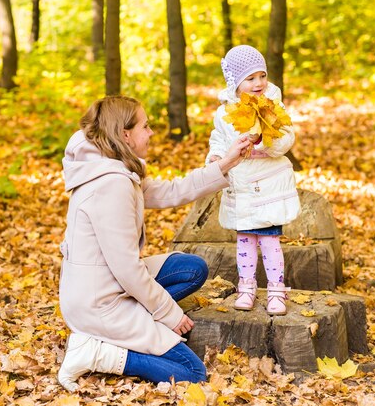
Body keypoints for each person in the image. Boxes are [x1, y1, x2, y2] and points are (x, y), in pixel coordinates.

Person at [57, 95, 251, 391]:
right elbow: (128, 269)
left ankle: (137, 327)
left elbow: (171, 192)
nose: (150, 133)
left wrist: (226, 164)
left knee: (192, 269)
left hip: (101, 282)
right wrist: (168, 314)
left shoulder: (113, 167)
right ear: (125, 134)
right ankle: (95, 351)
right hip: (99, 303)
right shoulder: (111, 184)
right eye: (145, 126)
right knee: (192, 373)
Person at [206, 45, 300, 316]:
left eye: (262, 76)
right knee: (245, 240)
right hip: (243, 186)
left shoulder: (273, 105)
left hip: (268, 182)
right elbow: (219, 139)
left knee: (270, 240)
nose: (259, 83)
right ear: (235, 83)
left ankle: (276, 290)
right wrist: (216, 156)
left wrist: (266, 141)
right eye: (251, 78)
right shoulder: (224, 113)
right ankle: (246, 287)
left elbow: (286, 137)